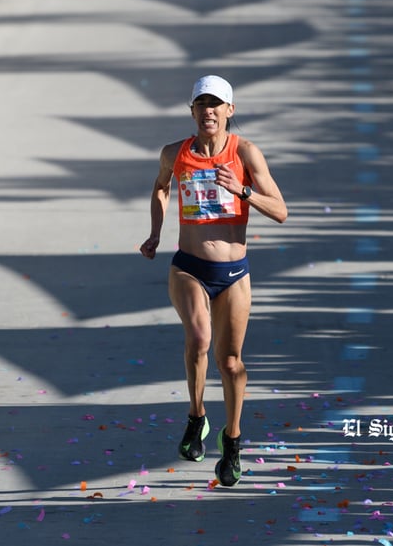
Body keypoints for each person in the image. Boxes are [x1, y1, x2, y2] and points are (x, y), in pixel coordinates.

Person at [139, 75, 287, 486]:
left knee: (231, 362)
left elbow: (280, 211)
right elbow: (160, 188)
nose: (209, 111)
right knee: (199, 339)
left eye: (216, 104)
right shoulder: (175, 153)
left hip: (235, 274)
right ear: (192, 111)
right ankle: (196, 415)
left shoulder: (246, 153)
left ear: (229, 111)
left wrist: (243, 191)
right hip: (188, 266)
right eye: (201, 104)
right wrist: (155, 232)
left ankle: (233, 440)